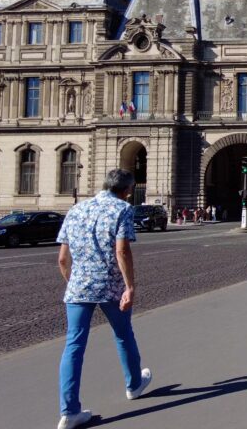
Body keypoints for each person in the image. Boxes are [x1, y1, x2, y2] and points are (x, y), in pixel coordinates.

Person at [55, 169, 152, 429]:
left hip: (78, 288)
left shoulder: (75, 210)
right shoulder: (122, 209)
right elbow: (122, 250)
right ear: (128, 190)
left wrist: (75, 283)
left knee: (73, 347)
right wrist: (130, 286)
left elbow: (63, 259)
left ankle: (69, 411)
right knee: (123, 335)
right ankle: (133, 385)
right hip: (111, 287)